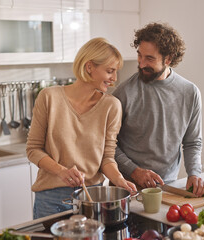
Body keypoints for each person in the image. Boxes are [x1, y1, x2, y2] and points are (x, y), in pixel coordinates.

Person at [26, 37, 137, 219]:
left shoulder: (111, 106)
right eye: (110, 71)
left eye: (116, 72)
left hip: (91, 200)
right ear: (89, 67)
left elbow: (107, 158)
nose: (114, 79)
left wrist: (119, 180)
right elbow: (33, 149)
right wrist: (61, 171)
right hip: (50, 201)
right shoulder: (49, 97)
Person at [112, 23, 204, 197]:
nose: (141, 64)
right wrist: (134, 171)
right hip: (126, 188)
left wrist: (194, 173)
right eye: (139, 56)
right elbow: (109, 144)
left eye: (149, 58)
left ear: (168, 59)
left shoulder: (190, 92)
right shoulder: (124, 92)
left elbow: (192, 142)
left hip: (167, 187)